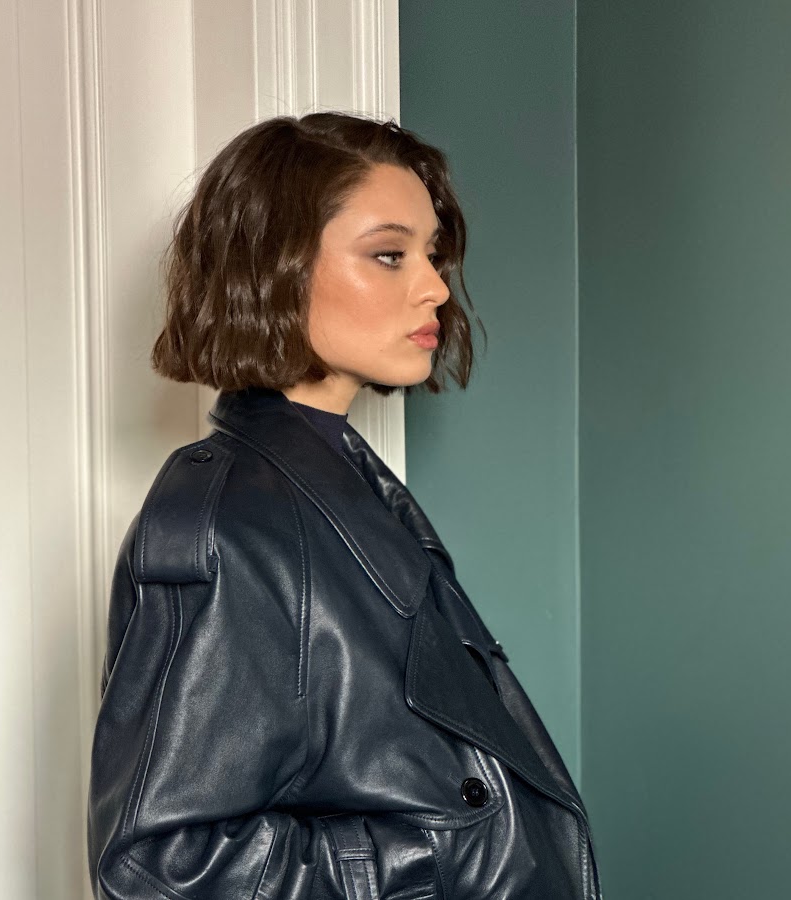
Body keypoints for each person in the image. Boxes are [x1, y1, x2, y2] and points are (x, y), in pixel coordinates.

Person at [87, 111, 602, 900]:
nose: (435, 287)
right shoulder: (231, 521)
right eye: (389, 255)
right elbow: (158, 864)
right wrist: (440, 856)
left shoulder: (339, 483)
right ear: (276, 268)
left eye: (432, 254)